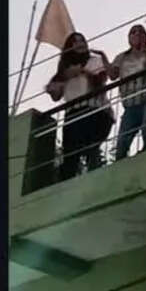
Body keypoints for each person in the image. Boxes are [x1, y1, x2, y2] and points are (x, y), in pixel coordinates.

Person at [45, 32, 114, 180]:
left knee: (90, 149)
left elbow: (100, 81)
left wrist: (82, 72)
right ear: (69, 47)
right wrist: (54, 87)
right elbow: (55, 96)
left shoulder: (94, 61)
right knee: (70, 155)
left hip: (95, 110)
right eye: (75, 42)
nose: (80, 43)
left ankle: (97, 180)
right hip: (72, 113)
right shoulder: (65, 70)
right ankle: (64, 189)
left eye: (82, 40)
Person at [108, 24, 146, 158]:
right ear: (129, 38)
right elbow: (112, 75)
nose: (137, 34)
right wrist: (103, 57)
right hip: (130, 104)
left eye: (141, 32)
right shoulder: (122, 57)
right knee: (121, 144)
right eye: (133, 32)